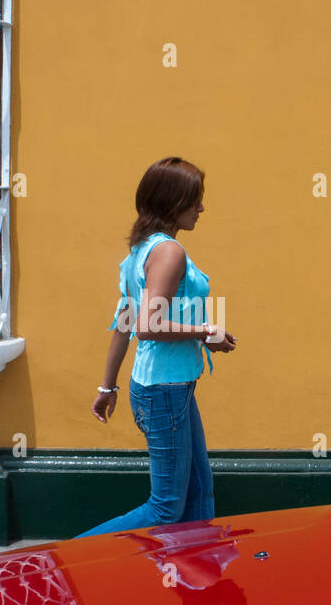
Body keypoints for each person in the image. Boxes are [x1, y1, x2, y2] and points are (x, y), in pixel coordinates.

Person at [78, 157, 236, 537]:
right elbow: (148, 325)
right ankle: (69, 559)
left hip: (167, 388)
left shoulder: (141, 251)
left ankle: (193, 584)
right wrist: (204, 331)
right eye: (195, 200)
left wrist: (106, 387)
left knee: (199, 497)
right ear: (172, 202)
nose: (201, 208)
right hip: (163, 391)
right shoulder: (168, 252)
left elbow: (125, 321)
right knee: (166, 508)